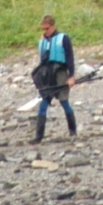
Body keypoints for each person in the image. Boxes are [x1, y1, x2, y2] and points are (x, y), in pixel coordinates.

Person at [31, 14, 78, 142]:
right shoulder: (43, 40)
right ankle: (38, 136)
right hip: (47, 74)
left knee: (64, 102)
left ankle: (73, 131)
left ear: (53, 26)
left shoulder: (63, 38)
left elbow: (70, 58)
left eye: (47, 29)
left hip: (60, 72)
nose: (45, 32)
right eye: (43, 29)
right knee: (44, 103)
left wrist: (71, 76)